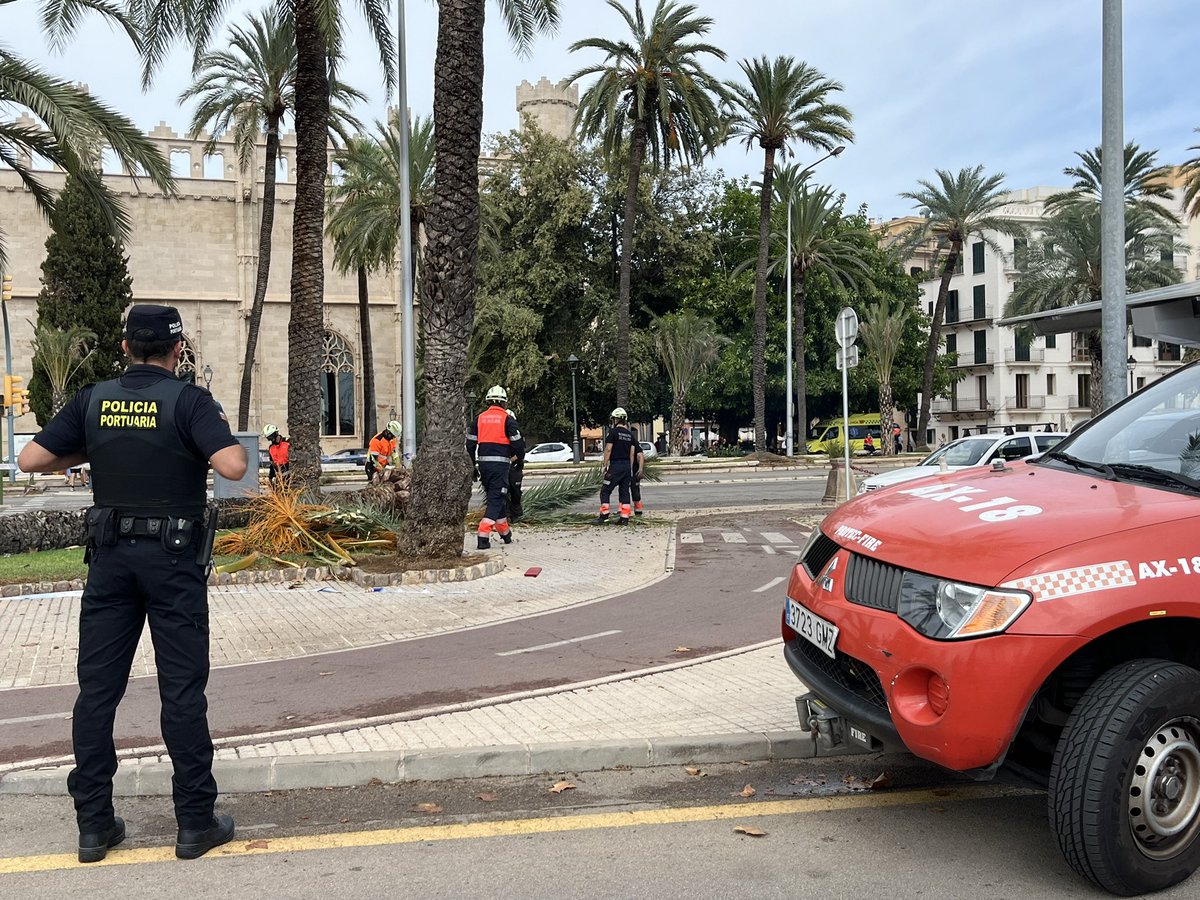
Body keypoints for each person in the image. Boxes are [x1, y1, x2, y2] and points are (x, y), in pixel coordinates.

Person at [18, 305, 247, 863]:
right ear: (178, 349)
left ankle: (94, 826)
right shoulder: (188, 401)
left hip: (111, 562)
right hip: (173, 564)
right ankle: (194, 823)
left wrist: (96, 448)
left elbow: (30, 459)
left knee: (97, 693)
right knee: (182, 693)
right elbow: (235, 466)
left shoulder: (94, 400)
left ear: (124, 348)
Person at [467, 385, 523, 549]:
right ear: (504, 403)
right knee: (497, 499)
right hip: (500, 467)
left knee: (496, 498)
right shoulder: (508, 419)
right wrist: (519, 459)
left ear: (488, 402)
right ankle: (483, 535)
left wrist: (473, 466)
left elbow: (470, 445)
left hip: (483, 466)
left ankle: (505, 534)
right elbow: (518, 444)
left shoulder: (479, 418)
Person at [597, 407, 636, 525]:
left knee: (605, 490)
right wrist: (630, 467)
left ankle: (604, 516)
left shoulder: (613, 433)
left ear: (617, 419)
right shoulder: (630, 435)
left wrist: (605, 465)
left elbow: (608, 449)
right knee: (624, 492)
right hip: (626, 466)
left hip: (616, 466)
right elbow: (632, 452)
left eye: (614, 419)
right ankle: (624, 518)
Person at [505, 408, 524, 523]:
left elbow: (521, 452)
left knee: (515, 492)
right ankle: (505, 515)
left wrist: (511, 460)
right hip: (504, 466)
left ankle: (516, 516)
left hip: (515, 467)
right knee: (503, 492)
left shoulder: (517, 434)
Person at [630, 425, 646, 516]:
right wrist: (640, 469)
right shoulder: (634, 441)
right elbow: (640, 456)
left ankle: (623, 512)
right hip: (634, 471)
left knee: (623, 491)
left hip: (628, 470)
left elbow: (640, 456)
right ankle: (638, 512)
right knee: (635, 491)